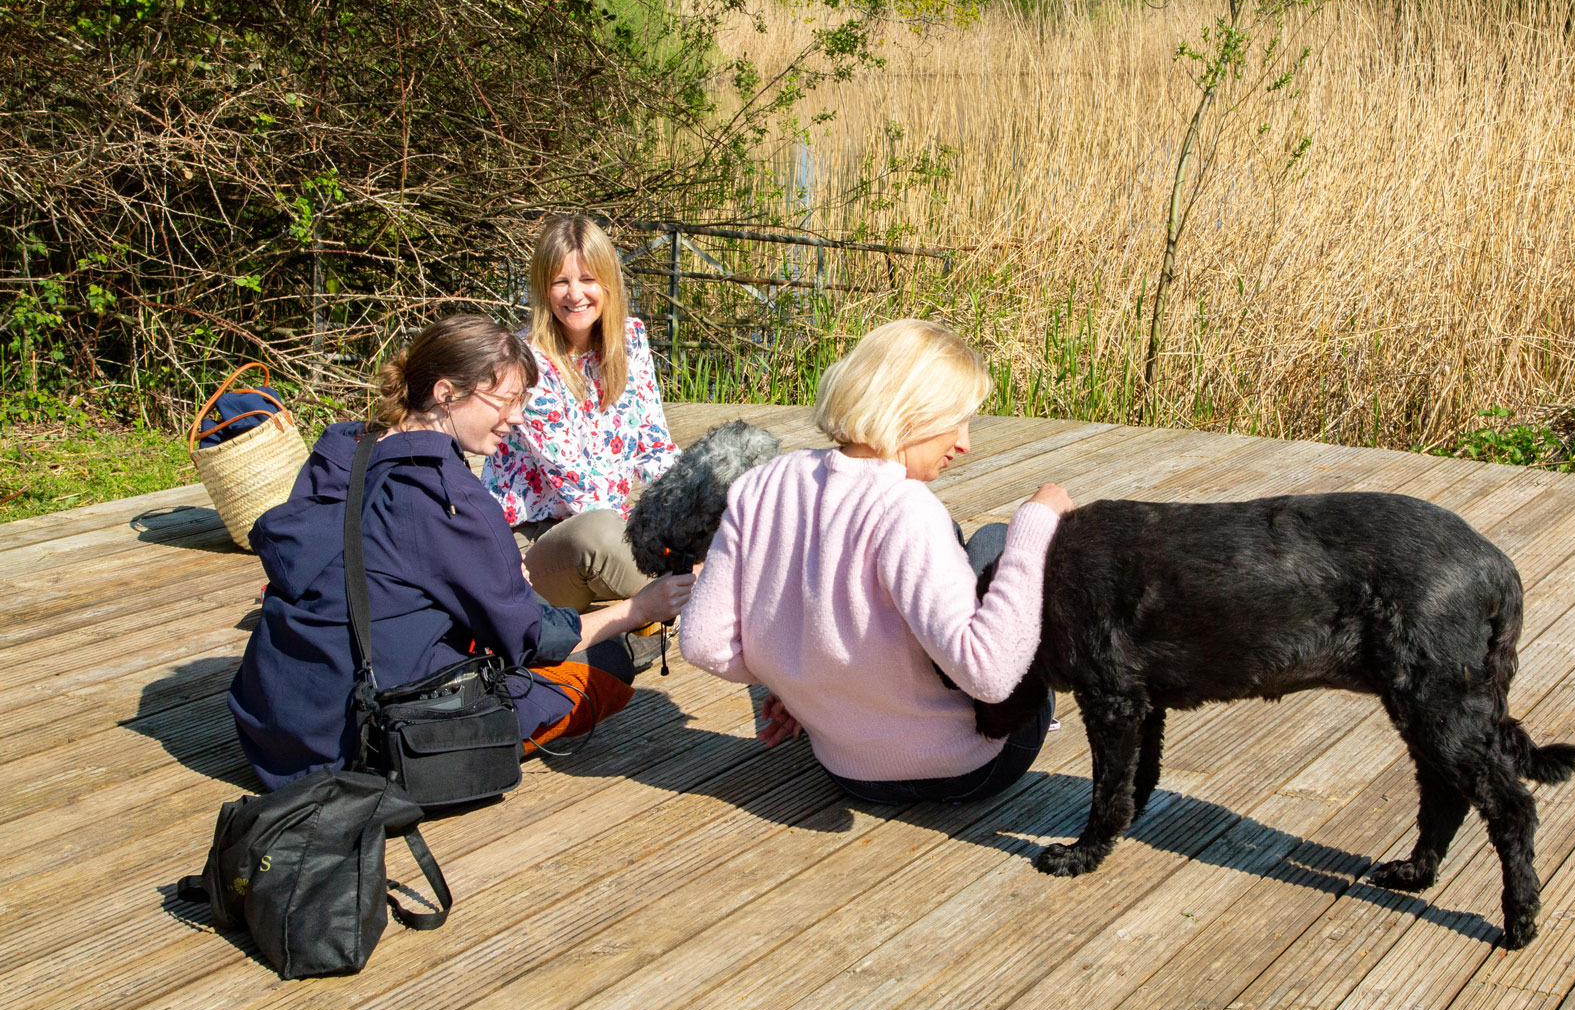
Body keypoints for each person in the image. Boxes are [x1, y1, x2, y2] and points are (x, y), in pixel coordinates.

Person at [229, 313, 694, 790]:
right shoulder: (452, 500)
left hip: (273, 725)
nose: (517, 417)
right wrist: (639, 607)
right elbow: (533, 640)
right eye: (507, 400)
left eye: (523, 400)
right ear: (446, 392)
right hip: (360, 743)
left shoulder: (343, 446)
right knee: (608, 664)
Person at [679, 319, 1074, 803]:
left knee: (956, 544)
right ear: (911, 411)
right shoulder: (906, 508)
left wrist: (807, 689)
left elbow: (702, 642)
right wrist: (1035, 526)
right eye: (956, 421)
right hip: (972, 766)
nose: (965, 443)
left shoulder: (762, 484)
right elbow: (990, 677)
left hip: (846, 770)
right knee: (999, 541)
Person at [482, 214, 678, 609]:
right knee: (602, 534)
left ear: (607, 282)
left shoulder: (630, 338)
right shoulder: (526, 361)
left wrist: (695, 500)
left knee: (708, 520)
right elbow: (579, 484)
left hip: (609, 519)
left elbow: (654, 448)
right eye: (560, 282)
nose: (575, 294)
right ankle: (689, 593)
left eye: (587, 279)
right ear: (543, 287)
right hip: (537, 540)